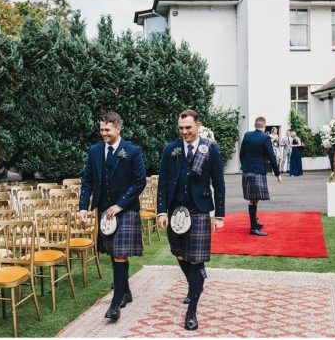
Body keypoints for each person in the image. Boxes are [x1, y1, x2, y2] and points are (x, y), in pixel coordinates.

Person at [157, 109, 225, 331]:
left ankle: (192, 310)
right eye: (181, 128)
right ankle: (196, 283)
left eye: (188, 127)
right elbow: (163, 181)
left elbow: (219, 183)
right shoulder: (171, 149)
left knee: (195, 259)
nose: (184, 132)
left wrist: (220, 215)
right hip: (175, 210)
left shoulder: (210, 149)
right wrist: (161, 211)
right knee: (179, 255)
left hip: (199, 209)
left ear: (198, 125)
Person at [78, 111, 146, 321]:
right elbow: (87, 180)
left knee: (119, 253)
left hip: (125, 209)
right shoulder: (95, 151)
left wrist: (120, 205)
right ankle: (126, 291)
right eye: (101, 130)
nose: (103, 134)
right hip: (103, 209)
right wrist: (83, 208)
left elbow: (139, 181)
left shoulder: (132, 151)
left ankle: (115, 303)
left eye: (107, 130)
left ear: (118, 128)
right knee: (112, 252)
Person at [240, 117, 283, 236]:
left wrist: (245, 165)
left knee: (253, 200)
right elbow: (271, 156)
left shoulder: (247, 135)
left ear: (255, 125)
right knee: (253, 200)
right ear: (264, 126)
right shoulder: (265, 138)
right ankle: (253, 228)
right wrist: (278, 173)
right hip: (257, 171)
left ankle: (254, 223)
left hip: (247, 170)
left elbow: (241, 154)